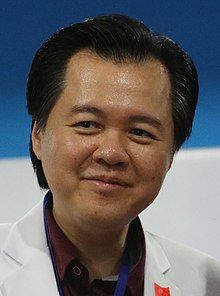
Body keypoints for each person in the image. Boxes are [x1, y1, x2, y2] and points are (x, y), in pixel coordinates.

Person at [0, 14, 219, 296]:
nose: (112, 153)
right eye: (87, 124)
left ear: (171, 155)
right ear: (38, 135)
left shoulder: (207, 284)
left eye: (140, 132)